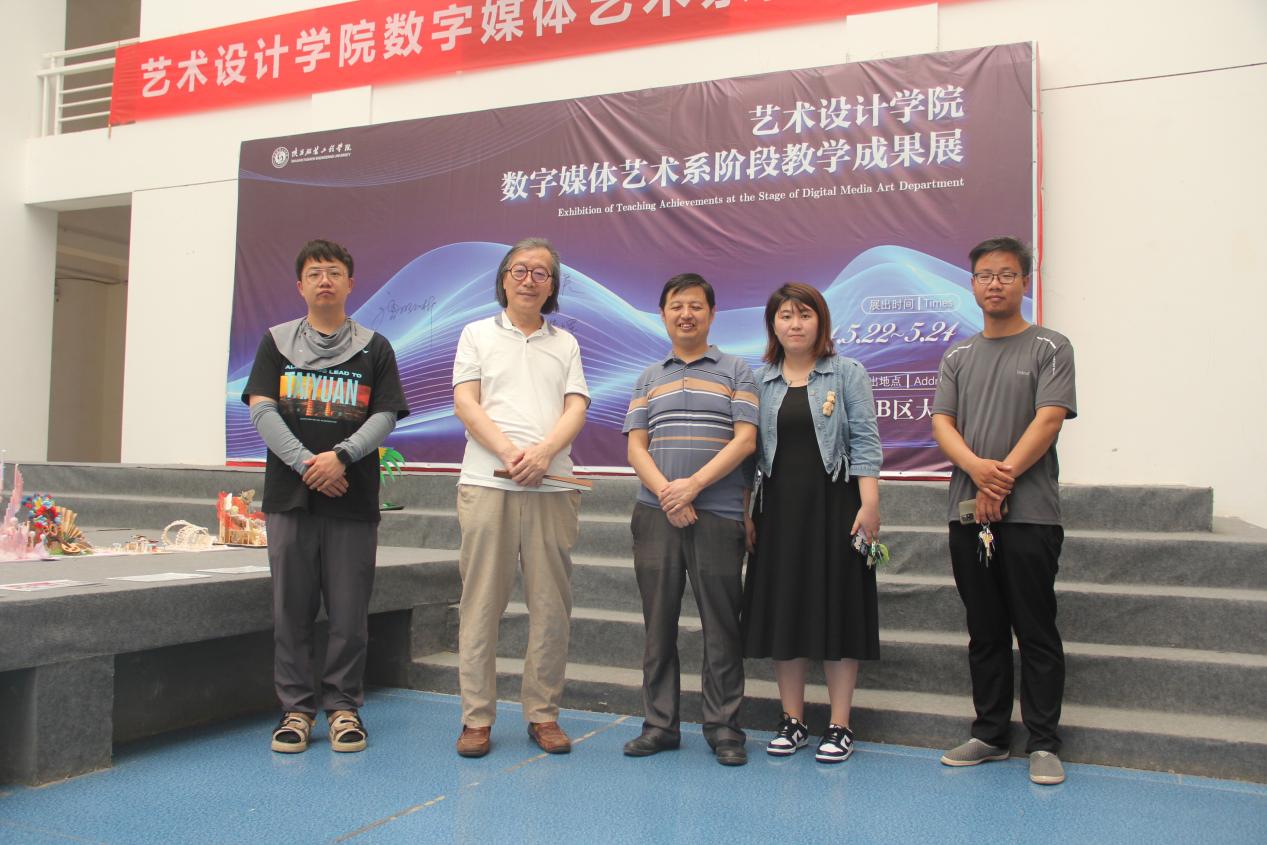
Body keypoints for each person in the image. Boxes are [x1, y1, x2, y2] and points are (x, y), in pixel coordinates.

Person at [244, 239, 409, 754]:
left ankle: (343, 708)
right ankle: (295, 710)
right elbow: (261, 409)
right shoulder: (275, 343)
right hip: (290, 499)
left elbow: (385, 414)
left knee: (349, 614)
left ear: (350, 283)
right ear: (300, 286)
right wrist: (306, 465)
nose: (324, 280)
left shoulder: (375, 347)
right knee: (291, 611)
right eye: (314, 273)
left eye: (334, 272)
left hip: (351, 498)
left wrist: (340, 457)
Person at [931, 236, 1077, 786]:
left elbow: (1049, 418)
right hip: (968, 513)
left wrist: (1002, 476)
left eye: (1006, 275)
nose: (995, 284)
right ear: (972, 285)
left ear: (1025, 282)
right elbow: (943, 424)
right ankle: (991, 734)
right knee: (985, 630)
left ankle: (1043, 742)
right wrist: (979, 470)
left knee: (1035, 630)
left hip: (1031, 515)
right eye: (985, 276)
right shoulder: (957, 356)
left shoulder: (1050, 346)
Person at [451, 237, 589, 758]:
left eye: (541, 273)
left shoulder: (565, 343)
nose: (529, 280)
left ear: (552, 287)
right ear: (504, 279)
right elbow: (466, 403)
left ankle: (543, 714)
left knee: (551, 606)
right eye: (520, 270)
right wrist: (511, 453)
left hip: (552, 485)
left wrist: (543, 454)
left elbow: (576, 407)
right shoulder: (476, 333)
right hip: (488, 481)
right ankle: (476, 719)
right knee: (480, 604)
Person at [741, 283, 882, 763]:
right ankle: (793, 719)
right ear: (773, 325)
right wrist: (746, 512)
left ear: (820, 320)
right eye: (785, 315)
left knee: (839, 611)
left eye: (804, 314)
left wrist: (869, 504)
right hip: (778, 512)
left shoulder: (846, 373)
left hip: (837, 507)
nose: (795, 324)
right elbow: (748, 454)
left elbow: (865, 442)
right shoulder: (758, 381)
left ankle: (840, 725)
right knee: (787, 610)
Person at [621, 273, 758, 766]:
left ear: (712, 314)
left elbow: (745, 440)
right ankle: (660, 725)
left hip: (718, 514)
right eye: (676, 306)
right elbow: (636, 447)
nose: (686, 314)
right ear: (663, 314)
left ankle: (724, 727)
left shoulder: (738, 371)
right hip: (656, 513)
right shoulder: (648, 377)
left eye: (696, 306)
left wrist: (692, 487)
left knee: (721, 626)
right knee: (658, 625)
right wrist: (668, 493)